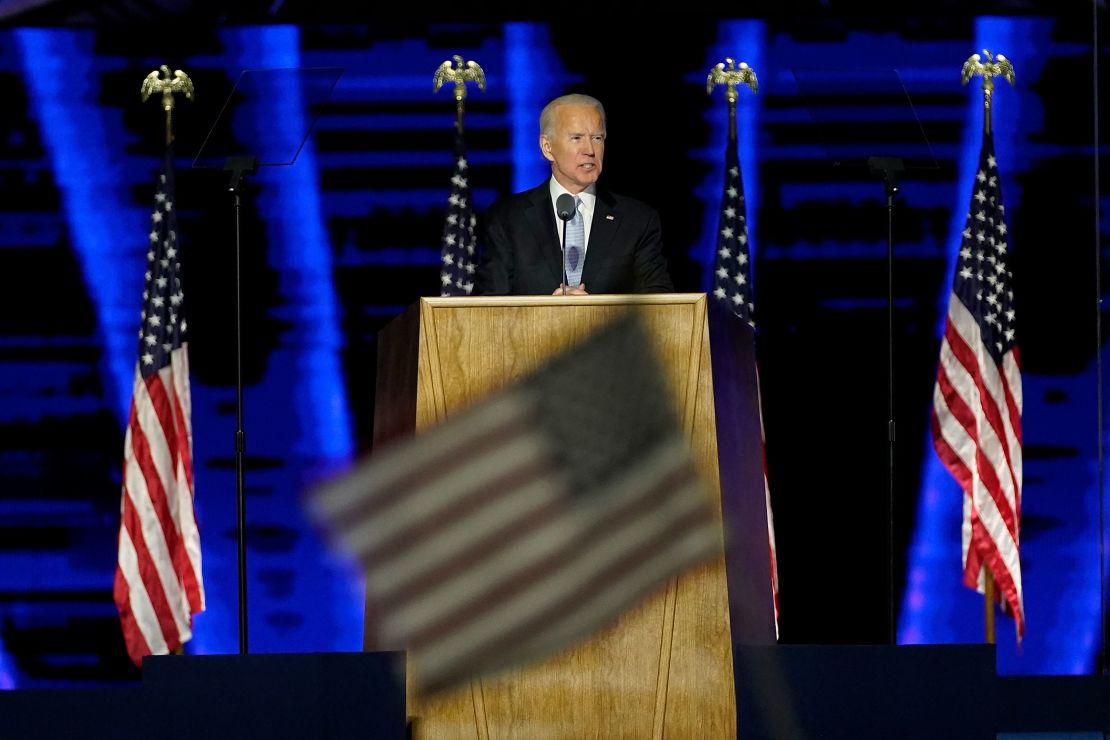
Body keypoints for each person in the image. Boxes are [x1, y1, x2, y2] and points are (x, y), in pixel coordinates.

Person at [474, 93, 674, 296]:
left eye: (597, 138)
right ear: (547, 147)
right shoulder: (508, 219)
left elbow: (658, 308)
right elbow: (487, 307)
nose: (590, 150)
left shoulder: (638, 221)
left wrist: (593, 313)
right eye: (576, 138)